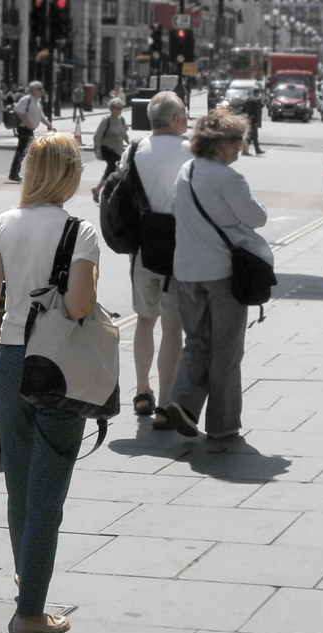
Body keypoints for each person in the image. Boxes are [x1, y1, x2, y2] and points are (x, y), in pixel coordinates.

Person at [0, 132, 99, 633]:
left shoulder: (2, 225)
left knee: (18, 485)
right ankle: (30, 613)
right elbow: (79, 307)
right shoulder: (81, 232)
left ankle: (28, 575)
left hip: (8, 362)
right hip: (59, 370)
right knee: (47, 494)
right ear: (70, 174)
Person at [165, 110, 272, 439]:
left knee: (196, 342)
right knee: (227, 348)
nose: (241, 145)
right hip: (222, 274)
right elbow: (257, 218)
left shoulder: (187, 170)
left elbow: (176, 212)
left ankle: (182, 401)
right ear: (215, 142)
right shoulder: (229, 179)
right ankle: (223, 426)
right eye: (235, 139)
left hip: (185, 272)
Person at [129, 92, 191, 429]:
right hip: (178, 251)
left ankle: (141, 391)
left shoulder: (134, 149)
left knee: (144, 320)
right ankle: (165, 404)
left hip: (142, 250)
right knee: (173, 325)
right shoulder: (189, 150)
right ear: (177, 119)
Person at [8, 81, 56, 183]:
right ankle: (16, 174)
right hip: (24, 129)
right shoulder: (26, 100)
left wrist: (50, 125)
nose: (41, 91)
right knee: (25, 151)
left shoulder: (36, 102)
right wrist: (28, 122)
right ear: (33, 90)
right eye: (39, 89)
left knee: (25, 151)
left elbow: (41, 117)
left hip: (29, 130)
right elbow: (18, 111)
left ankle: (17, 174)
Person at [91, 97, 129, 202]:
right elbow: (98, 136)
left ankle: (98, 190)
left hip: (118, 149)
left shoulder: (122, 120)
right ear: (111, 109)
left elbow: (125, 135)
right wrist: (98, 150)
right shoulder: (106, 120)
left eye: (121, 108)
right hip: (107, 148)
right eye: (118, 108)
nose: (120, 110)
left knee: (113, 170)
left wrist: (131, 145)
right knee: (112, 168)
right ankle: (107, 192)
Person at [243, 88, 264, 156]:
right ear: (258, 92)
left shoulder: (247, 99)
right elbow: (257, 113)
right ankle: (245, 151)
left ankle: (257, 150)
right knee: (250, 136)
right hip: (253, 120)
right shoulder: (257, 100)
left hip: (247, 119)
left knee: (254, 136)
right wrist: (257, 122)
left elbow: (243, 110)